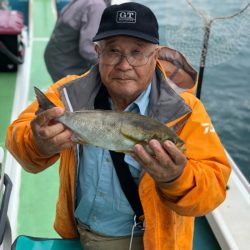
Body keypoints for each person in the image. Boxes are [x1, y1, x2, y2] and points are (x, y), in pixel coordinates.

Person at [6, 2, 231, 250]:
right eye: (113, 51)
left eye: (137, 52)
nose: (124, 65)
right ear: (97, 52)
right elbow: (18, 140)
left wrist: (176, 177)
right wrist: (37, 142)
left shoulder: (185, 111)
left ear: (155, 55)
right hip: (79, 236)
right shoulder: (68, 93)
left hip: (150, 241)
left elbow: (214, 188)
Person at [44, 0, 111, 82]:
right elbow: (87, 49)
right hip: (67, 65)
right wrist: (110, 64)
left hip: (55, 58)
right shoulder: (96, 5)